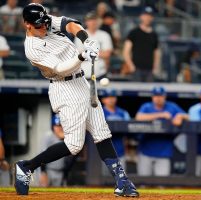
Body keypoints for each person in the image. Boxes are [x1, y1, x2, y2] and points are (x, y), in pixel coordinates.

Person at [14, 3, 138, 197]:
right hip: (64, 88)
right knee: (74, 145)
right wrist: (82, 55)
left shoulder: (46, 21)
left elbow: (71, 24)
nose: (44, 27)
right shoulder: (32, 48)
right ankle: (27, 166)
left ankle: (122, 181)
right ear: (27, 24)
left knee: (102, 133)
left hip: (82, 82)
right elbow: (60, 69)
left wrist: (86, 40)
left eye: (45, 22)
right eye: (39, 25)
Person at [135, 86, 188, 176]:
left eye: (160, 96)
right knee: (143, 184)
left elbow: (188, 116)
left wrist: (180, 116)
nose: (158, 98)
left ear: (164, 97)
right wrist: (161, 115)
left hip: (164, 153)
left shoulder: (172, 106)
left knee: (162, 186)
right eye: (156, 96)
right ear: (152, 97)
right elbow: (138, 117)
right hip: (146, 152)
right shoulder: (147, 106)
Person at [123, 7, 160, 81]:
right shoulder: (134, 32)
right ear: (141, 16)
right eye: (145, 15)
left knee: (149, 91)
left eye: (150, 16)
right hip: (137, 70)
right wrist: (131, 66)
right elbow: (126, 51)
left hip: (149, 71)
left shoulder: (154, 34)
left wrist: (155, 67)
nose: (147, 18)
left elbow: (156, 52)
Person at [74, 12, 113, 80]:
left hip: (101, 73)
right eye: (90, 20)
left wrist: (87, 52)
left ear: (98, 21)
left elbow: (107, 54)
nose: (93, 22)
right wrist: (98, 52)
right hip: (84, 73)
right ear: (86, 22)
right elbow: (79, 55)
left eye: (94, 20)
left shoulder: (105, 35)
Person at [101, 89, 131, 168]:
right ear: (103, 100)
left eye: (113, 97)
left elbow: (128, 132)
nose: (111, 99)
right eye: (108, 97)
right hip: (103, 154)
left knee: (121, 178)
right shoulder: (99, 113)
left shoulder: (123, 113)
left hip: (120, 152)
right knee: (102, 179)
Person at [39, 114, 66, 187]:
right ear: (52, 126)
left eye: (61, 125)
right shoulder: (49, 135)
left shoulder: (66, 137)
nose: (59, 128)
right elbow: (42, 154)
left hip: (61, 171)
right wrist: (43, 172)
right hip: (49, 171)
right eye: (57, 125)